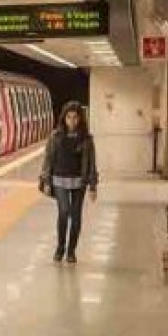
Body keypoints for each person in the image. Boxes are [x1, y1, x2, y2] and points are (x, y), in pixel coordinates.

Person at [39, 100, 99, 264]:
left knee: (76, 217)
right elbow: (48, 159)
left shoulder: (87, 139)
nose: (72, 121)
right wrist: (45, 180)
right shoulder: (55, 136)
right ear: (64, 118)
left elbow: (92, 163)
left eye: (75, 118)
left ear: (80, 119)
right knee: (64, 212)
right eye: (69, 117)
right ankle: (60, 247)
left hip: (80, 182)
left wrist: (93, 186)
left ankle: (71, 250)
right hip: (59, 180)